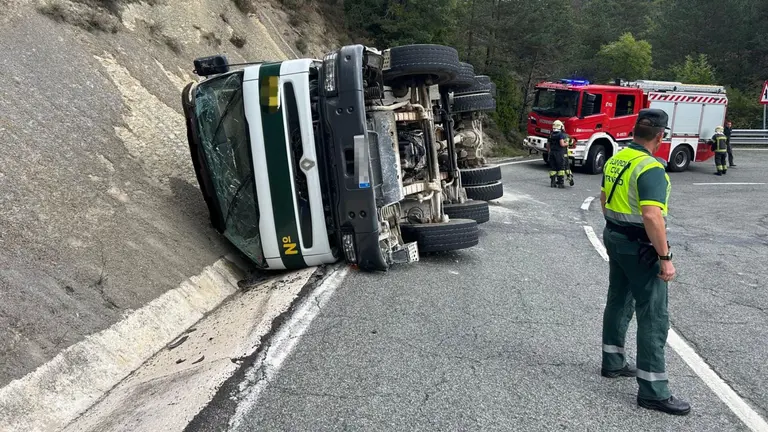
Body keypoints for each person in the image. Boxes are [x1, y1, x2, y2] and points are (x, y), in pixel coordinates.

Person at [599, 108, 691, 416]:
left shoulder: (617, 158)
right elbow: (652, 215)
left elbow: (603, 198)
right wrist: (665, 258)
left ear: (636, 131)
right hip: (640, 246)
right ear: (660, 136)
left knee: (618, 300)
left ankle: (612, 362)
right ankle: (653, 390)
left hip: (614, 237)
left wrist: (617, 230)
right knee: (653, 315)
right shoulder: (651, 168)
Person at [546, 120, 568, 188]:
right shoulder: (561, 134)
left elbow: (548, 145)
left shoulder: (551, 134)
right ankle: (560, 183)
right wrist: (567, 143)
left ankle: (552, 182)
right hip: (559, 153)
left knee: (553, 168)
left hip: (552, 152)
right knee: (560, 168)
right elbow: (562, 144)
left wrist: (549, 151)